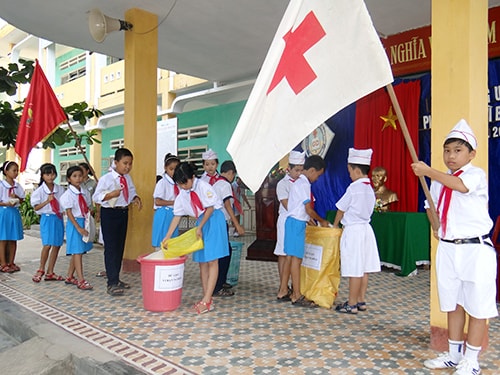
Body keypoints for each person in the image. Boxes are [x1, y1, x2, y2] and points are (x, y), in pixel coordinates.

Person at [411, 119, 497, 375]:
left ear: (471, 154)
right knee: (454, 303)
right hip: (449, 249)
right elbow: (431, 207)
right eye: (447, 151)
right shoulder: (439, 181)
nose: (451, 156)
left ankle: (471, 360)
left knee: (477, 305)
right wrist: (435, 225)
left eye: (458, 151)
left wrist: (427, 171)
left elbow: (460, 187)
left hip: (475, 250)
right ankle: (453, 354)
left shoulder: (475, 174)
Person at [163, 162, 229, 314]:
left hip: (213, 219)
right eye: (180, 184)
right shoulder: (182, 194)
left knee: (212, 259)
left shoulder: (203, 186)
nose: (184, 186)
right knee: (202, 261)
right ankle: (207, 298)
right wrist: (167, 237)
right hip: (202, 221)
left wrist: (199, 227)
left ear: (192, 177)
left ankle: (206, 300)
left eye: (185, 182)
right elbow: (177, 216)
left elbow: (211, 207)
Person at [333, 148, 381, 314]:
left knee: (354, 267)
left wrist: (335, 224)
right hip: (366, 230)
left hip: (353, 231)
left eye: (350, 171)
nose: (349, 174)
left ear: (356, 170)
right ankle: (361, 300)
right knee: (364, 268)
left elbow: (340, 208)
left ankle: (351, 304)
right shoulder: (370, 188)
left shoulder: (354, 188)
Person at [93, 148, 143, 296]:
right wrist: (110, 195)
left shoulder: (127, 178)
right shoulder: (106, 179)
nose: (127, 167)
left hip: (123, 212)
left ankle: (117, 278)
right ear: (116, 163)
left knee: (120, 247)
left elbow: (131, 191)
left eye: (130, 164)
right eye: (125, 163)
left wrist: (135, 198)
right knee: (111, 248)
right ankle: (111, 282)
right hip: (110, 214)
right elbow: (96, 197)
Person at [284, 155, 329, 307]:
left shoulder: (299, 183)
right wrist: (322, 221)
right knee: (296, 260)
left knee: (293, 259)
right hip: (296, 223)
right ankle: (297, 295)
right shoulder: (304, 185)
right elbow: (308, 209)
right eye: (318, 175)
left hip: (293, 223)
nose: (317, 178)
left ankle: (294, 293)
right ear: (311, 170)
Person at [200, 150, 234, 296]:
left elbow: (226, 204)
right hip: (206, 221)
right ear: (203, 165)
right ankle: (212, 287)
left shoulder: (222, 182)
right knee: (210, 255)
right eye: (207, 164)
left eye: (213, 164)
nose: (210, 167)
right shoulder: (200, 182)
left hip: (220, 221)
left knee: (221, 252)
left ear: (217, 165)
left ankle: (218, 283)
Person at [275, 151, 305, 301]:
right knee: (283, 253)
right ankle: (283, 287)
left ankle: (291, 287)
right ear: (289, 169)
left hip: (297, 221)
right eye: (296, 170)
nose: (299, 173)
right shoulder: (283, 184)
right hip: (286, 219)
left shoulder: (302, 182)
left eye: (301, 169)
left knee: (292, 255)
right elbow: (287, 205)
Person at [212, 160, 245, 296]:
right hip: (219, 222)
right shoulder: (225, 185)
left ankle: (220, 281)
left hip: (217, 221)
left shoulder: (216, 184)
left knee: (224, 251)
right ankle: (218, 286)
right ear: (231, 173)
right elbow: (227, 204)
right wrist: (237, 224)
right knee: (224, 253)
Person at [60, 166, 93, 290]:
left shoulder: (84, 192)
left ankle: (69, 276)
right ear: (69, 179)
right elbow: (69, 213)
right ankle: (81, 280)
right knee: (77, 252)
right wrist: (78, 228)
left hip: (83, 221)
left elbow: (88, 206)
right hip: (75, 224)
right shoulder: (67, 195)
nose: (78, 178)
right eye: (74, 176)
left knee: (78, 251)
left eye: (80, 176)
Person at [30, 163, 65, 282]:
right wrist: (46, 201)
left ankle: (50, 271)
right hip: (47, 217)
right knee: (47, 244)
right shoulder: (39, 191)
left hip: (58, 217)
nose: (50, 177)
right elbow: (36, 207)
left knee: (57, 244)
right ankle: (41, 268)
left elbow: (64, 204)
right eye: (47, 174)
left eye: (52, 174)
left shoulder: (60, 189)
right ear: (43, 176)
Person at [151, 153, 181, 250]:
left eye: (175, 169)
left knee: (172, 243)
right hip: (163, 214)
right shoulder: (162, 183)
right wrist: (174, 202)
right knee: (162, 243)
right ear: (165, 168)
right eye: (171, 169)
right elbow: (157, 201)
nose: (173, 172)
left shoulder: (178, 183)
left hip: (173, 214)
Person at [0, 161, 25, 273]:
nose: (16, 173)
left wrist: (17, 198)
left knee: (13, 238)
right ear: (6, 172)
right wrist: (6, 203)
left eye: (17, 170)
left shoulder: (17, 186)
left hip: (14, 212)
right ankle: (3, 263)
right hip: (4, 212)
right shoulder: (1, 185)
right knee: (3, 238)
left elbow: (22, 200)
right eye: (13, 170)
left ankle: (11, 261)